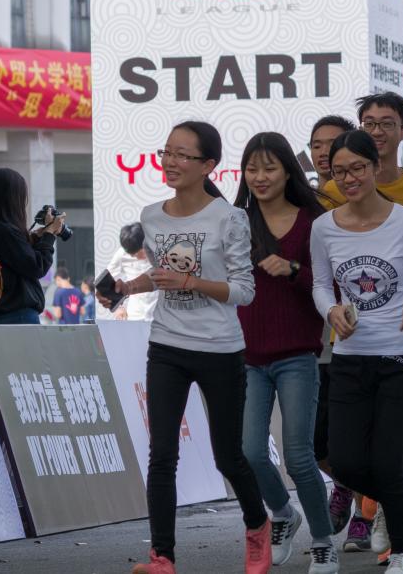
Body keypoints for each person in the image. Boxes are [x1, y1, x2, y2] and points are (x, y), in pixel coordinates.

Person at [98, 120, 270, 574]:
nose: (170, 162)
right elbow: (161, 276)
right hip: (167, 345)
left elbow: (244, 290)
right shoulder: (152, 215)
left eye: (181, 155)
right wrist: (125, 289)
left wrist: (191, 282)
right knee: (162, 456)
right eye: (166, 152)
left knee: (228, 456)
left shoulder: (228, 218)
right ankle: (162, 557)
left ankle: (258, 526)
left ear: (207, 165)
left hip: (220, 349)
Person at [311, 130, 403, 574]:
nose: (349, 178)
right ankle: (394, 502)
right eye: (339, 171)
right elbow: (320, 285)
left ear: (374, 167)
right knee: (345, 460)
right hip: (349, 357)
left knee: (386, 459)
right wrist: (331, 311)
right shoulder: (324, 227)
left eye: (357, 168)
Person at [235, 132, 338, 574]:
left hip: (298, 355)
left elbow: (331, 284)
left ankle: (323, 542)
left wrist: (293, 269)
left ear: (287, 172)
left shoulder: (314, 220)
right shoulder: (237, 222)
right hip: (247, 358)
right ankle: (282, 513)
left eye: (269, 168)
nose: (259, 177)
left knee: (298, 457)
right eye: (251, 168)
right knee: (249, 452)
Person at [307, 114, 359, 538]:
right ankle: (346, 484)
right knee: (315, 439)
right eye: (316, 145)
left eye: (333, 143)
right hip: (313, 336)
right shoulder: (304, 201)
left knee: (359, 432)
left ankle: (369, 513)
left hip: (363, 336)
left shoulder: (366, 200)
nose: (324, 152)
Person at [0, 167, 65, 325]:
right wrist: (49, 234)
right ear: (12, 199)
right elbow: (37, 266)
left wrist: (36, 237)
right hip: (18, 318)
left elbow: (14, 259)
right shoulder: (3, 231)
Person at [320, 93, 403, 211]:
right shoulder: (335, 190)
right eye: (369, 124)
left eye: (387, 124)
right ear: (361, 129)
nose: (376, 132)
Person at [108, 222, 157, 320]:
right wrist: (118, 307)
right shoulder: (122, 254)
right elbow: (107, 280)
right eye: (133, 255)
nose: (138, 257)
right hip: (136, 315)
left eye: (141, 252)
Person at [310, 115, 357, 185]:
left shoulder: (366, 191)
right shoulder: (302, 192)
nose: (323, 152)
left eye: (332, 145)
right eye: (317, 146)